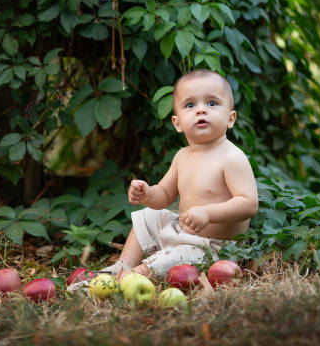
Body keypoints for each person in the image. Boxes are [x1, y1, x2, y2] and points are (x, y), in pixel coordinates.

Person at [103, 69, 259, 280]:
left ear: (230, 118)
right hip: (182, 231)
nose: (201, 110)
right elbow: (165, 195)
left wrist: (207, 213)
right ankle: (123, 265)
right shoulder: (182, 156)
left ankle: (136, 275)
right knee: (149, 215)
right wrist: (148, 194)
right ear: (177, 123)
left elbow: (248, 204)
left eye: (212, 103)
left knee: (178, 256)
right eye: (190, 105)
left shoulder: (231, 157)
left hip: (213, 247)